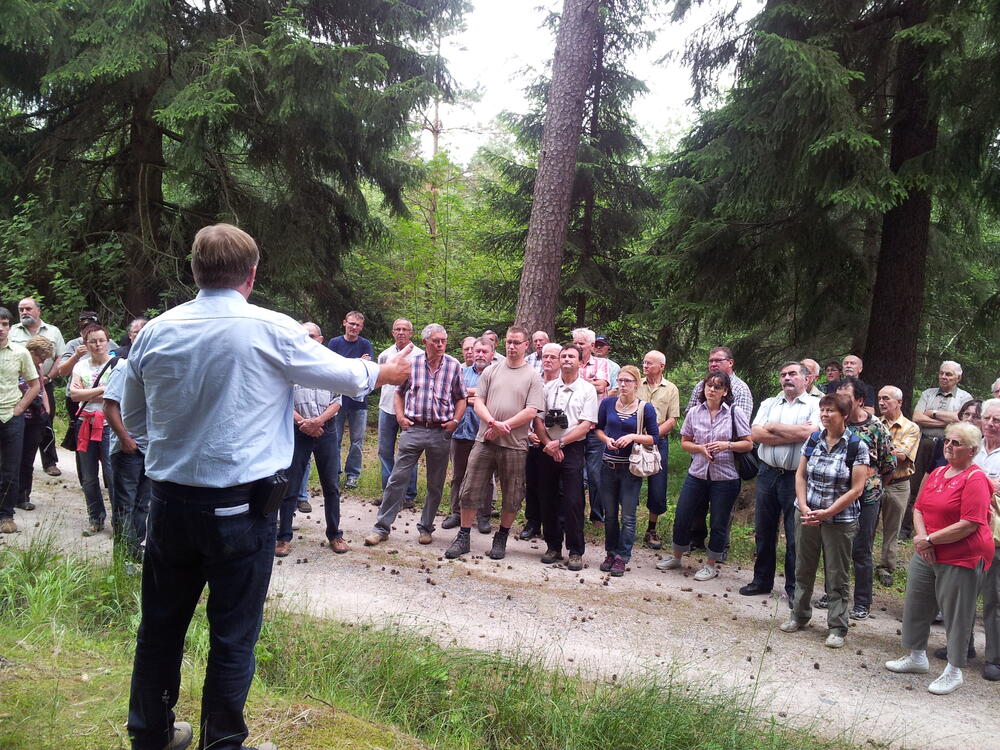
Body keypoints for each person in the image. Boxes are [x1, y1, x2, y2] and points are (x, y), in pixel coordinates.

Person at [121, 222, 411, 750]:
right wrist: (387, 374)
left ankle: (151, 734)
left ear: (194, 270)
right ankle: (221, 742)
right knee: (233, 635)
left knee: (160, 627)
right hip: (241, 510)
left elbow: (136, 420)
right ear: (252, 275)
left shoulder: (156, 332)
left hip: (168, 505)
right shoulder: (271, 329)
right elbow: (347, 375)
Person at [884, 422, 994, 695]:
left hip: (961, 555)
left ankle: (954, 670)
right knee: (917, 602)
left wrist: (931, 540)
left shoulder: (975, 478)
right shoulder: (937, 473)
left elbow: (971, 522)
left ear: (971, 450)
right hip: (929, 551)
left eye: (956, 443)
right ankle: (916, 656)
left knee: (957, 614)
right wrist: (924, 541)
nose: (948, 446)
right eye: (947, 441)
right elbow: (919, 507)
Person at [445, 326, 544, 560]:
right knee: (469, 489)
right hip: (484, 440)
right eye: (509, 342)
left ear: (526, 345)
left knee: (512, 494)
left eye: (517, 343)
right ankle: (464, 536)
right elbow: (478, 401)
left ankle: (501, 538)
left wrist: (503, 427)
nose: (512, 346)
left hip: (514, 445)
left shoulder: (533, 376)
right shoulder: (492, 371)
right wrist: (491, 422)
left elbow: (531, 411)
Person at [780, 393, 868, 649]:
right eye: (823, 410)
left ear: (844, 415)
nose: (825, 415)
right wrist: (805, 506)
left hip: (839, 520)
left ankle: (838, 627)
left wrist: (828, 512)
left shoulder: (856, 446)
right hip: (807, 514)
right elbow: (800, 475)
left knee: (836, 575)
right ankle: (799, 615)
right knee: (803, 567)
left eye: (830, 410)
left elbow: (857, 489)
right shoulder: (813, 439)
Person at [365, 324, 467, 547]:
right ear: (425, 342)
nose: (440, 345)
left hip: (441, 431)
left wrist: (455, 421)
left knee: (435, 483)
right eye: (435, 341)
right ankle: (381, 527)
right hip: (414, 429)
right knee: (397, 479)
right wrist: (400, 417)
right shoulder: (412, 365)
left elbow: (461, 397)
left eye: (443, 341)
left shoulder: (453, 366)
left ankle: (425, 527)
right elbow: (399, 393)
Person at [656, 371, 752, 580]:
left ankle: (711, 564)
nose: (711, 390)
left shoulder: (735, 413)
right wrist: (699, 449)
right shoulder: (694, 412)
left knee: (718, 521)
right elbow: (685, 442)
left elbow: (748, 443)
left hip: (726, 477)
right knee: (682, 515)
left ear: (725, 391)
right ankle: (677, 556)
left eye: (717, 387)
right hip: (697, 473)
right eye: (708, 385)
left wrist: (726, 445)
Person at [740, 362, 819, 599]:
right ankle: (761, 580)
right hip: (767, 473)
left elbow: (811, 435)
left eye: (793, 374)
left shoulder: (816, 405)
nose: (787, 378)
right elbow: (755, 434)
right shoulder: (769, 403)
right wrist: (794, 433)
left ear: (806, 379)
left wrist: (773, 429)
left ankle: (794, 588)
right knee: (764, 529)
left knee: (795, 534)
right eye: (783, 374)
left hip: (797, 477)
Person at [824, 377, 895, 621]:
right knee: (834, 547)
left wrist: (872, 488)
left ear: (861, 401)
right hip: (837, 496)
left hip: (866, 497)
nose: (841, 401)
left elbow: (889, 465)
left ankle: (862, 601)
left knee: (861, 550)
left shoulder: (876, 427)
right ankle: (832, 593)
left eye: (847, 397)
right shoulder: (835, 423)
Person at [276, 324, 346, 558]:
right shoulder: (289, 367)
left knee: (331, 486)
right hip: (297, 431)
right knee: (290, 485)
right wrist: (303, 423)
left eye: (312, 336)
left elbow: (338, 400)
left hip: (326, 430)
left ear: (321, 339)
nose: (307, 339)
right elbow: (281, 401)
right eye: (303, 335)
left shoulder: (331, 366)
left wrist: (317, 422)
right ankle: (283, 537)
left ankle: (335, 534)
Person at [533, 343, 598, 570]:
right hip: (547, 446)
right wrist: (548, 444)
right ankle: (552, 546)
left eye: (572, 356)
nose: (567, 359)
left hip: (572, 448)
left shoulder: (587, 390)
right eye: (564, 356)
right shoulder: (548, 388)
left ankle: (575, 551)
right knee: (548, 498)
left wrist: (560, 443)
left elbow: (586, 425)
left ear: (581, 362)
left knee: (573, 500)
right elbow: (538, 420)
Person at [685, 346, 753, 551]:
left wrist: (723, 442)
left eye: (718, 360)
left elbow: (742, 423)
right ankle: (696, 539)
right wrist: (700, 442)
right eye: (710, 361)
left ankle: (719, 546)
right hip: (700, 451)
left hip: (728, 457)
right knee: (697, 503)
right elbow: (691, 412)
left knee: (722, 508)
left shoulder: (740, 388)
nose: (713, 364)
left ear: (730, 362)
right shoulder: (701, 385)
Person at [595, 365, 659, 576]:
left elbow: (654, 438)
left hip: (631, 469)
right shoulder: (607, 403)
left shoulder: (645, 408)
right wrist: (607, 440)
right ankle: (611, 553)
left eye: (628, 381)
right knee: (610, 515)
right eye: (620, 380)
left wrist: (632, 437)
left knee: (628, 517)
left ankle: (623, 556)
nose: (623, 385)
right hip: (608, 465)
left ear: (637, 384)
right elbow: (598, 428)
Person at [904, 361, 974, 539]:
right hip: (925, 443)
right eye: (942, 373)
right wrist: (948, 420)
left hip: (949, 446)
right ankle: (905, 529)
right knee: (915, 484)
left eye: (949, 374)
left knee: (942, 486)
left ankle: (934, 529)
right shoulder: (928, 393)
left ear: (958, 377)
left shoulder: (965, 398)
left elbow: (961, 419)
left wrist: (932, 413)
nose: (944, 377)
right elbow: (917, 417)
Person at [442, 337, 497, 532]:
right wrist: (474, 398)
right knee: (458, 475)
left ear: (492, 353)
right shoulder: (461, 372)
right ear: (472, 353)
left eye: (485, 351)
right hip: (460, 432)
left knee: (485, 477)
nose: (480, 355)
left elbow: (494, 400)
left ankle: (483, 516)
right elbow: (452, 396)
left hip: (483, 433)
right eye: (477, 351)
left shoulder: (497, 375)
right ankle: (456, 512)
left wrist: (470, 398)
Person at [70, 323, 118, 537]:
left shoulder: (119, 364)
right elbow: (74, 396)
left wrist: (87, 392)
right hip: (85, 423)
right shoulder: (80, 366)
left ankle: (120, 520)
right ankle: (95, 518)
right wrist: (103, 390)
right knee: (88, 476)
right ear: (85, 343)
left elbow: (118, 395)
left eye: (101, 340)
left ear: (107, 341)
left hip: (111, 425)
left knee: (113, 474)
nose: (97, 344)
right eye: (92, 341)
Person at [103, 356, 150, 564]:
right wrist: (125, 438)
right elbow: (109, 406)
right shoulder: (124, 368)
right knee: (125, 506)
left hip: (151, 449)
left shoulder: (155, 367)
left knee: (143, 506)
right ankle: (123, 559)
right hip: (128, 449)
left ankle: (135, 551)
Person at [10, 297, 64, 475]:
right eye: (21, 309)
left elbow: (59, 357)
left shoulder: (53, 331)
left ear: (38, 310)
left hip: (44, 383)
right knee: (24, 422)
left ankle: (49, 462)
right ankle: (20, 459)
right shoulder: (12, 331)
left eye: (28, 308)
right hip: (19, 387)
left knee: (45, 420)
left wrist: (48, 377)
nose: (24, 312)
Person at [876, 386, 921, 586]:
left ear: (899, 402)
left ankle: (886, 567)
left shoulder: (911, 427)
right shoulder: (875, 423)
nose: (881, 402)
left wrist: (879, 450)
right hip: (874, 481)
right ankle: (861, 560)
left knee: (892, 528)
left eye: (886, 398)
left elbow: (902, 456)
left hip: (898, 484)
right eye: (879, 399)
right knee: (867, 523)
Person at [0, 308, 40, 535]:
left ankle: (6, 515)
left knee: (10, 468)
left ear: (10, 326)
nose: (0, 328)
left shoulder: (20, 352)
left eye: (4, 324)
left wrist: (21, 407)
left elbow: (34, 384)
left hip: (11, 417)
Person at [376, 318, 422, 508]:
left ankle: (408, 494)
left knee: (409, 452)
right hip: (386, 408)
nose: (401, 332)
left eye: (405, 329)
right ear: (392, 332)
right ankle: (389, 492)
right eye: (398, 329)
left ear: (411, 333)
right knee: (385, 451)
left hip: (410, 410)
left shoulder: (420, 356)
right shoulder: (385, 355)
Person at [326, 310, 374, 489]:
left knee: (357, 441)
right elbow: (331, 367)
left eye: (358, 325)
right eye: (351, 323)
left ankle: (352, 475)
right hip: (336, 401)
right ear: (344, 323)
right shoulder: (334, 343)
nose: (354, 327)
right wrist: (356, 363)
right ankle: (334, 474)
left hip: (358, 402)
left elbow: (367, 371)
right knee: (334, 439)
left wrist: (346, 364)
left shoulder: (365, 344)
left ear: (361, 328)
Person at [637, 350, 680, 549]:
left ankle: (651, 529)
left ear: (661, 366)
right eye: (644, 363)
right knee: (630, 481)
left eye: (650, 363)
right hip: (634, 439)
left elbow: (672, 419)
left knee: (657, 486)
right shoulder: (636, 383)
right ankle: (627, 525)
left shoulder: (671, 389)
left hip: (658, 442)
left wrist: (653, 437)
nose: (645, 366)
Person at [521, 342, 562, 540]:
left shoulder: (564, 385)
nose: (548, 360)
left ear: (561, 360)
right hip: (532, 441)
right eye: (545, 356)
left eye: (553, 357)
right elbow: (523, 409)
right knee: (533, 483)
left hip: (555, 445)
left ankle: (552, 525)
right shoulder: (533, 381)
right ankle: (532, 522)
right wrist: (529, 433)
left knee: (553, 486)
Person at [573, 327, 610, 525]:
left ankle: (597, 515)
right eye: (575, 343)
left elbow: (602, 386)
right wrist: (590, 383)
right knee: (575, 473)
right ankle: (576, 512)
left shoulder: (601, 363)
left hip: (596, 428)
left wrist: (581, 382)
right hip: (575, 426)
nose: (578, 347)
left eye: (581, 343)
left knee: (596, 474)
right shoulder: (571, 362)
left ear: (592, 345)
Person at [974, 399, 1000, 682]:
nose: (991, 424)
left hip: (996, 536)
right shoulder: (972, 446)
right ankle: (962, 646)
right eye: (987, 418)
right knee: (964, 594)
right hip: (966, 531)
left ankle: (995, 657)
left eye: (998, 420)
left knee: (994, 599)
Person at [16, 336, 53, 512]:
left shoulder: (37, 367)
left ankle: (23, 496)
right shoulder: (16, 364)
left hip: (36, 419)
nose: (42, 361)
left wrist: (47, 411)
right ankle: (7, 495)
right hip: (17, 417)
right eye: (41, 357)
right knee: (11, 458)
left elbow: (42, 390)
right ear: (31, 352)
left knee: (28, 459)